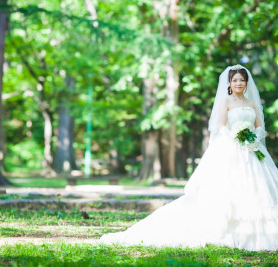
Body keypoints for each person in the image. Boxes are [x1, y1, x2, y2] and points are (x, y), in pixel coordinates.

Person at [99, 65, 278, 251]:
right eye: (235, 80)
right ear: (229, 83)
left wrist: (255, 137)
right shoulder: (226, 102)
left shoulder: (251, 104)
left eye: (242, 80)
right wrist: (236, 137)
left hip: (252, 149)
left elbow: (258, 125)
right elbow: (221, 126)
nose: (238, 83)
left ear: (246, 82)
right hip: (230, 147)